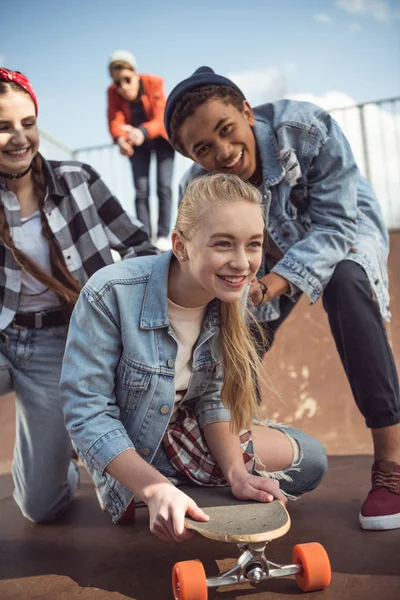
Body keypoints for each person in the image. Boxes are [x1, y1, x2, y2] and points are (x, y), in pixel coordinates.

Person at [163, 66, 400, 531]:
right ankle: (244, 464)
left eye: (227, 130)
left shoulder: (305, 128)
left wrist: (273, 284)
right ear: (190, 156)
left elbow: (335, 226)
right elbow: (197, 262)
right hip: (259, 253)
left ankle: (392, 464)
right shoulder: (197, 189)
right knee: (235, 329)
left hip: (341, 227)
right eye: (203, 149)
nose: (224, 153)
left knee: (348, 283)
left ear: (247, 112)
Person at [60, 172, 327, 541]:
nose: (242, 263)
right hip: (129, 442)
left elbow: (214, 400)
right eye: (222, 244)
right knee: (44, 503)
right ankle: (147, 488)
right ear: (181, 246)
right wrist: (152, 487)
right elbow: (86, 411)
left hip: (183, 434)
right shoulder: (111, 292)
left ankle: (184, 489)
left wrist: (237, 475)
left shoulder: (228, 298)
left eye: (253, 244)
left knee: (311, 460)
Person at [0, 67, 157, 523]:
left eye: (27, 124)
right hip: (4, 335)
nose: (18, 138)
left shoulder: (78, 179)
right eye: (3, 127)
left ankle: (55, 461)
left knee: (41, 509)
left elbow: (140, 248)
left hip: (55, 345)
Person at [107, 50, 175, 251]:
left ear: (135, 74)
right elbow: (114, 120)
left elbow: (161, 116)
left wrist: (143, 131)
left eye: (127, 80)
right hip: (137, 144)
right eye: (117, 82)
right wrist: (120, 139)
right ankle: (145, 239)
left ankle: (163, 236)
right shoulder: (112, 92)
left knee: (163, 186)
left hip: (161, 139)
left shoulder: (155, 82)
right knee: (141, 190)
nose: (123, 87)